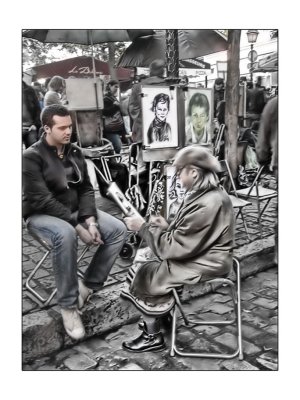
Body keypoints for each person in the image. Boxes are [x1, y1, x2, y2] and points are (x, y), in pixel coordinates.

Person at [22, 104, 127, 341]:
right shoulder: (30, 157)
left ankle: (87, 286)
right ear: (46, 128)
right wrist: (78, 226)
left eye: (70, 126)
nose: (68, 131)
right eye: (62, 127)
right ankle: (68, 306)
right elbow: (43, 200)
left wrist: (89, 220)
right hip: (41, 214)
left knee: (118, 230)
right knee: (66, 234)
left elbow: (86, 189)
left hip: (76, 210)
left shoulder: (75, 152)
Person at [121, 146, 234, 352]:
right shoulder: (204, 195)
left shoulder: (208, 202)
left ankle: (152, 335)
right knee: (146, 256)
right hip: (203, 255)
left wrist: (143, 228)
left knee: (147, 270)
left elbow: (175, 247)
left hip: (206, 261)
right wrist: (166, 226)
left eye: (180, 171)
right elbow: (189, 235)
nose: (178, 177)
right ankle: (161, 315)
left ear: (194, 172)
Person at [128, 59, 166, 144]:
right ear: (162, 71)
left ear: (151, 70)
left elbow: (133, 109)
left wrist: (141, 119)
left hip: (143, 130)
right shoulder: (169, 85)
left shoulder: (138, 87)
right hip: (168, 132)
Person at [102, 80, 126, 154]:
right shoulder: (106, 98)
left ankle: (113, 162)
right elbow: (105, 112)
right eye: (115, 87)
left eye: (117, 87)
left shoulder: (113, 98)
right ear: (110, 86)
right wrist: (115, 106)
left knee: (115, 148)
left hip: (115, 127)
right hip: (111, 128)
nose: (116, 89)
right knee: (117, 147)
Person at [22, 79, 41, 149]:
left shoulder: (30, 90)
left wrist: (35, 123)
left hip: (30, 126)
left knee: (33, 148)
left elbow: (37, 108)